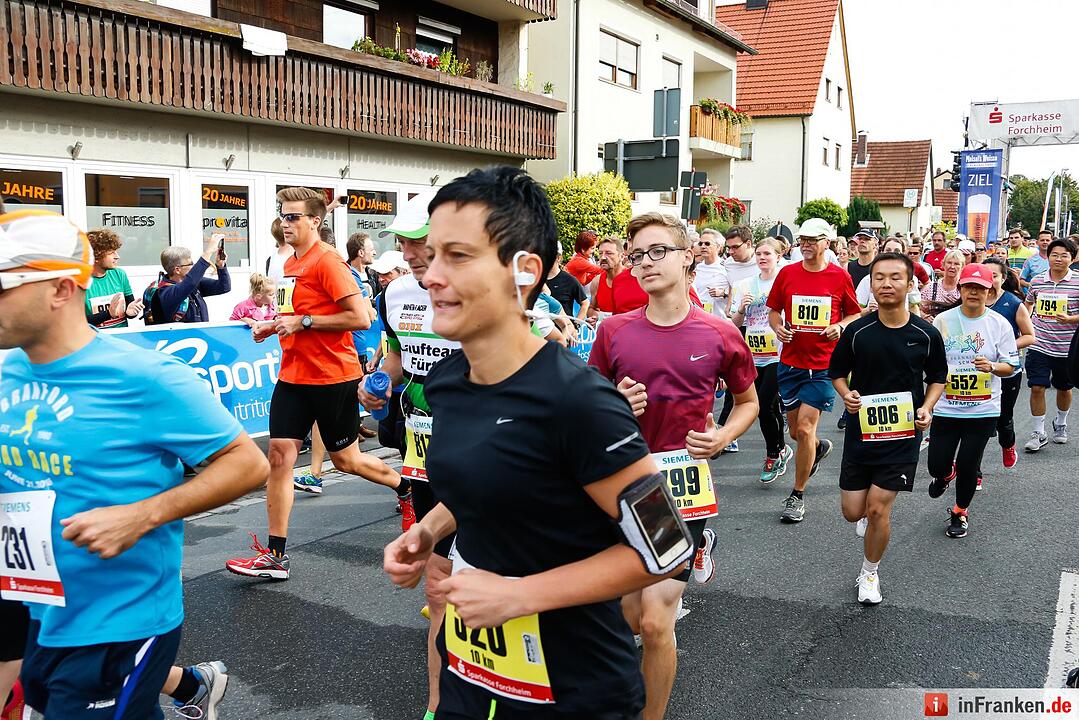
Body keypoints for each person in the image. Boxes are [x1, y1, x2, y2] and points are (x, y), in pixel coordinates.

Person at [383, 167, 694, 720]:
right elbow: (494, 480)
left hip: (575, 689)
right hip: (469, 675)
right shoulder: (448, 382)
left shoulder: (579, 402)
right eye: (430, 256)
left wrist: (519, 596)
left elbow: (667, 549)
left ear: (523, 271)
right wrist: (426, 533)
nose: (430, 275)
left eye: (457, 256)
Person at [0, 209, 268, 719]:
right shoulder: (7, 369)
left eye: (4, 285)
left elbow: (247, 464)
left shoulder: (146, 376)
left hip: (119, 619)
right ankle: (194, 687)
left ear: (60, 288)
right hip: (34, 608)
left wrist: (140, 515)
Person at [590, 212, 758, 720]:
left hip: (681, 487)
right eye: (637, 255)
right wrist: (613, 401)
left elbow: (748, 401)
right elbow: (586, 407)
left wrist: (723, 435)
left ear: (688, 256)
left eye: (657, 251)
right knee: (629, 617)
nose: (645, 263)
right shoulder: (613, 330)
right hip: (620, 484)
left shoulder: (719, 333)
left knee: (658, 622)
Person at [226, 187, 411, 582]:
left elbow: (361, 318)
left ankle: (404, 487)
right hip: (292, 377)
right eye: (282, 215)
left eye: (293, 216)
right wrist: (273, 324)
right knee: (278, 458)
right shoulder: (287, 263)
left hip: (333, 378)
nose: (285, 222)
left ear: (315, 220)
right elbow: (294, 313)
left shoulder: (328, 262)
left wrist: (304, 323)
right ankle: (275, 556)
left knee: (347, 461)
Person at [357, 191, 461, 720]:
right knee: (440, 576)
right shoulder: (395, 292)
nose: (413, 252)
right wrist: (375, 387)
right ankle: (440, 702)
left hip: (480, 438)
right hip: (422, 439)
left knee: (477, 569)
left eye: (422, 241)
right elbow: (396, 354)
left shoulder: (476, 290)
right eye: (404, 242)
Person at [830, 251, 947, 604]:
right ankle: (866, 521)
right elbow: (836, 373)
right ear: (871, 284)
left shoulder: (925, 334)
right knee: (854, 511)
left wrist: (926, 408)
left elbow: (938, 377)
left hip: (902, 435)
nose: (886, 283)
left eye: (895, 277)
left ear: (910, 284)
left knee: (879, 508)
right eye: (879, 277)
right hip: (861, 431)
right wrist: (846, 394)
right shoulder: (857, 331)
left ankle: (869, 573)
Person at [767, 218, 861, 523]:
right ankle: (817, 448)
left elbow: (854, 313)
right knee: (797, 433)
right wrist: (779, 328)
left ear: (826, 243)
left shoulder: (838, 276)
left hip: (824, 366)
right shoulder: (787, 273)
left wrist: (839, 326)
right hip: (791, 364)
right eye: (802, 239)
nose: (805, 244)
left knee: (805, 428)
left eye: (812, 240)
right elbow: (774, 311)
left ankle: (797, 494)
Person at [927, 263, 1020, 538]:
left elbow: (1012, 366)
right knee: (936, 465)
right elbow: (931, 362)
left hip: (983, 408)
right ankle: (945, 475)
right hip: (946, 406)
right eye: (968, 287)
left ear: (989, 290)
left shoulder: (999, 324)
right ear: (961, 289)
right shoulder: (942, 321)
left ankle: (959, 512)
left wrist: (992, 366)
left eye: (980, 288)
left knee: (969, 464)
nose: (973, 292)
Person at [728, 238, 793, 483]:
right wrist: (742, 309)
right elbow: (734, 325)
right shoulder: (745, 284)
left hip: (779, 353)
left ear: (778, 256)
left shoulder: (785, 282)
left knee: (765, 403)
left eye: (767, 253)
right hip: (753, 354)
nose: (762, 257)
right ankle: (781, 449)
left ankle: (773, 453)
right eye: (759, 253)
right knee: (763, 408)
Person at [1022, 238, 1079, 452]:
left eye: (1064, 255)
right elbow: (1028, 302)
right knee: (1037, 386)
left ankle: (1061, 424)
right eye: (1055, 254)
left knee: (1064, 388)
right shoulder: (1038, 281)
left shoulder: (1078, 281)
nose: (1059, 259)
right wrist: (1025, 322)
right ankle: (1038, 432)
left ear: (1072, 259)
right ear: (1048, 257)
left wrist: (1071, 319)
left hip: (1068, 347)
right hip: (1039, 342)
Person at [984, 258, 1035, 474]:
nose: (989, 280)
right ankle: (973, 472)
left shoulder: (1013, 303)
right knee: (978, 423)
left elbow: (1029, 336)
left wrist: (1005, 347)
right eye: (985, 275)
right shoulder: (970, 300)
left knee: (1003, 418)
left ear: (1003, 279)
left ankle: (1008, 444)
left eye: (994, 275)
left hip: (1006, 369)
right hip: (978, 371)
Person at [147, 234, 231, 324]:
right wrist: (208, 252)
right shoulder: (165, 292)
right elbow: (187, 285)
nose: (193, 267)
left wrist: (221, 267)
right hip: (180, 337)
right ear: (177, 270)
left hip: (199, 336)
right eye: (190, 264)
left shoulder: (194, 283)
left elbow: (224, 287)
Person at [83, 229, 144, 329]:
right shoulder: (79, 282)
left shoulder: (119, 274)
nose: (117, 257)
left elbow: (129, 309)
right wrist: (108, 314)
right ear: (96, 257)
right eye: (112, 253)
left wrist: (131, 313)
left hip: (121, 339)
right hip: (95, 340)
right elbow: (77, 322)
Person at [919, 249, 964, 323]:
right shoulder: (931, 287)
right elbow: (917, 308)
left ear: (962, 266)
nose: (952, 267)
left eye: (956, 264)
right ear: (943, 264)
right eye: (949, 263)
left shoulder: (964, 288)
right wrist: (924, 316)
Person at [691, 229, 729, 316]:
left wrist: (723, 293)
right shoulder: (697, 268)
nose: (703, 246)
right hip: (699, 317)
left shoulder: (726, 268)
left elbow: (736, 293)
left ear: (719, 247)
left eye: (707, 244)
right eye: (701, 244)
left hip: (719, 318)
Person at [586, 237, 622, 324]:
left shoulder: (633, 278)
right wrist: (595, 317)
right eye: (600, 253)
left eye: (609, 253)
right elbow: (591, 308)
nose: (603, 257)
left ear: (621, 256)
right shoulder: (597, 281)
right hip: (607, 333)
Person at [545, 253, 590, 322]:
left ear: (558, 258)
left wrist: (576, 324)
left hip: (564, 329)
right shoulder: (537, 279)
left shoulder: (569, 280)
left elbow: (585, 303)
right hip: (540, 330)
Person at [346, 231, 379, 300]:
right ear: (361, 253)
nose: (375, 253)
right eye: (371, 250)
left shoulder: (374, 275)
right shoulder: (344, 275)